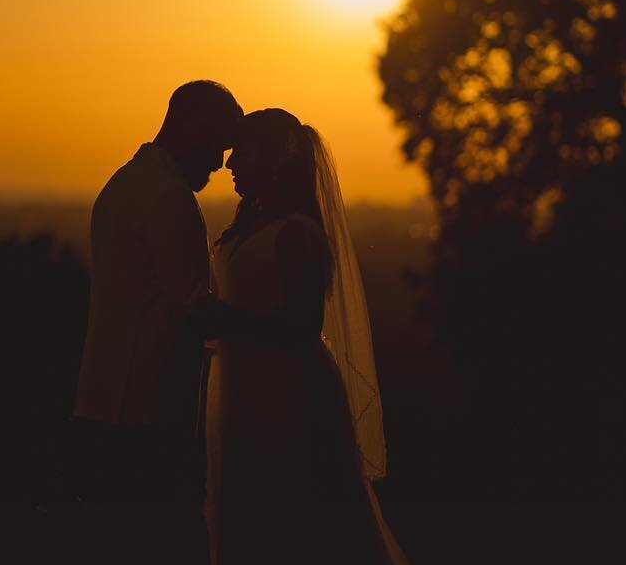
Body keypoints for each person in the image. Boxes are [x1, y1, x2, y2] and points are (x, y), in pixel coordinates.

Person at [205, 108, 410, 564]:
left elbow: (301, 327)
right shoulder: (247, 227)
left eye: (241, 152)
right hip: (242, 388)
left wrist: (220, 319)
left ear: (273, 159)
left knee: (295, 519)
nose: (231, 164)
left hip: (287, 393)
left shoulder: (298, 236)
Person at [69, 80, 243, 564]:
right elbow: (194, 310)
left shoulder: (122, 183)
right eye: (217, 146)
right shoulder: (169, 196)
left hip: (99, 400)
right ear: (193, 126)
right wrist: (274, 328)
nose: (218, 164)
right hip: (146, 408)